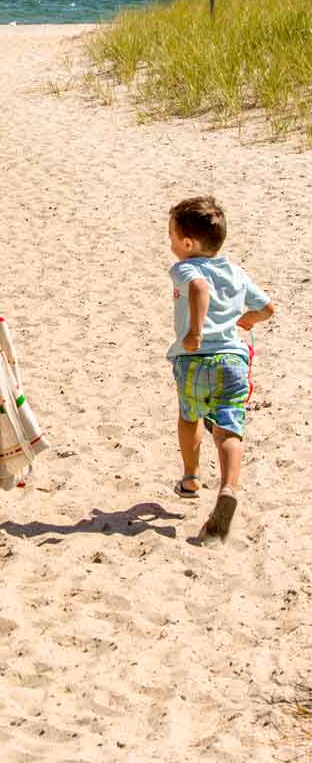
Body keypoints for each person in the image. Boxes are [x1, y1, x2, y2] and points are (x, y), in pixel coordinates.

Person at [167, 196, 275, 540]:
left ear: (187, 243)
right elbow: (267, 308)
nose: (170, 244)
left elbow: (199, 288)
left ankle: (191, 476)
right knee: (229, 427)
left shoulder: (186, 268)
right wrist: (246, 320)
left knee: (190, 416)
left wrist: (195, 332)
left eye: (171, 237)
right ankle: (228, 488)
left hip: (193, 360)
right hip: (232, 359)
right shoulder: (236, 272)